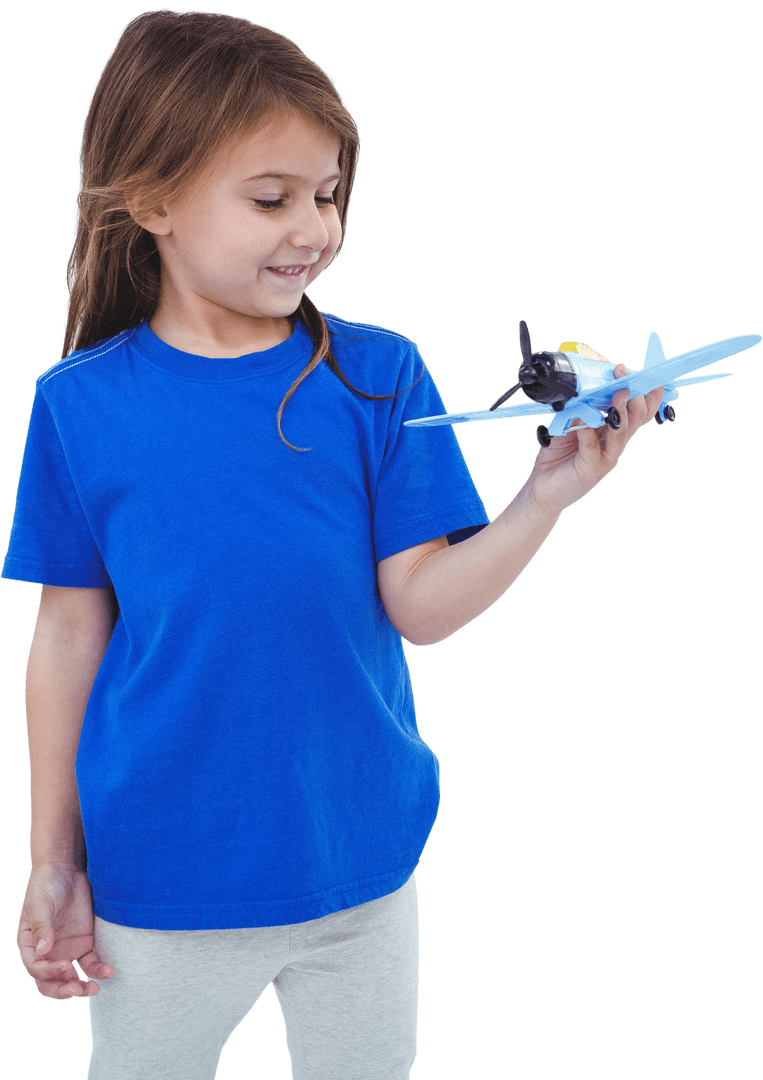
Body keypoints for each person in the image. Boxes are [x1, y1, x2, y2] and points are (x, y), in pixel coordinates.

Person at [5, 10, 664, 1080]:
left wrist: (542, 500)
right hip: (163, 884)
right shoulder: (78, 406)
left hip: (361, 872)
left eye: (327, 196)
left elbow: (423, 608)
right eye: (269, 199)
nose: (311, 227)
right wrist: (51, 860)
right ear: (151, 203)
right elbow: (66, 638)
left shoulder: (379, 374)